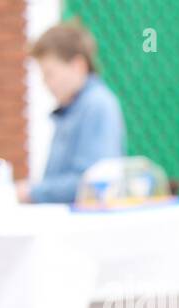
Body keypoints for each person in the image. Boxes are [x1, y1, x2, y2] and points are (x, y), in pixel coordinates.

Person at [20, 21, 125, 205]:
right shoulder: (71, 109)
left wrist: (33, 192)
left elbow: (92, 183)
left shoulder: (97, 105)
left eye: (50, 74)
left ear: (78, 65)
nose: (46, 83)